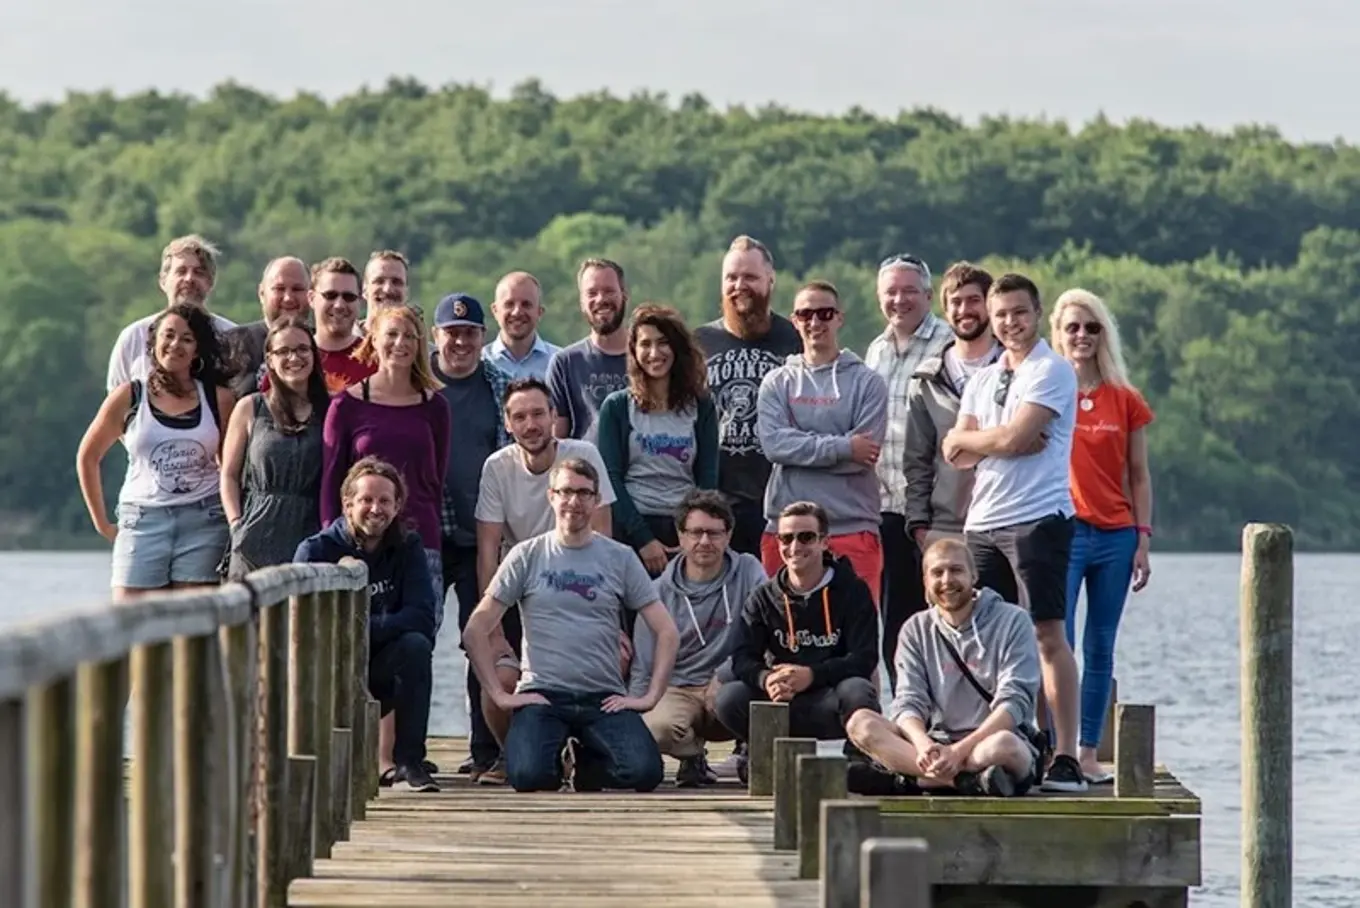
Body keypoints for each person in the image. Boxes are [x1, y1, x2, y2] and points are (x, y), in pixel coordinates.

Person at [940, 272, 1087, 792]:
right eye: (1001, 314)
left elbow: (1020, 435)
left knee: (1047, 634)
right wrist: (992, 439)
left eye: (1019, 312)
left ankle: (1065, 753)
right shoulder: (982, 376)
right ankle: (1010, 742)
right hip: (981, 522)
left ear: (1036, 312)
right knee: (988, 640)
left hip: (1037, 518)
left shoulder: (1053, 371)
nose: (1009, 323)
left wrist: (983, 438)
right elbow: (953, 452)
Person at [462, 458, 681, 793]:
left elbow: (666, 631)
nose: (574, 502)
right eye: (565, 492)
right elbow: (475, 629)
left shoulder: (619, 557)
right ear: (551, 496)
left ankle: (588, 758)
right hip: (544, 696)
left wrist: (649, 697)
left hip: (604, 697)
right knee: (527, 777)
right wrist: (498, 695)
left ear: (595, 500)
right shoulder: (527, 555)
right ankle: (556, 762)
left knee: (645, 773)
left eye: (583, 493)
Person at [471, 377, 617, 780]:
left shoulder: (583, 455)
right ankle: (509, 752)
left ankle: (589, 752)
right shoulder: (497, 467)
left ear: (555, 417)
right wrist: (494, 629)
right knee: (499, 676)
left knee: (610, 665)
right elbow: (488, 550)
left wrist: (611, 622)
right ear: (508, 423)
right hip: (521, 586)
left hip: (578, 585)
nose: (531, 424)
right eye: (520, 417)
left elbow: (605, 539)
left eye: (538, 413)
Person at [1050, 289, 1155, 784]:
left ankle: (1089, 752)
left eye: (1091, 328)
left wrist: (1143, 538)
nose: (1082, 336)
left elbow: (1139, 474)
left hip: (1115, 536)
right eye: (1073, 327)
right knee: (1057, 641)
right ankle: (1057, 749)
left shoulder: (1126, 399)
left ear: (1103, 335)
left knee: (1101, 646)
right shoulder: (1047, 389)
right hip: (1064, 532)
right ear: (1059, 332)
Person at [845, 538, 1042, 797]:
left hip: (992, 739)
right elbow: (908, 702)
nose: (947, 581)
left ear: (974, 575)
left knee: (1003, 747)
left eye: (956, 570)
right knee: (860, 723)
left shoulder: (1013, 620)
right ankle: (964, 782)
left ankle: (912, 781)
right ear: (925, 581)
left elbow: (1015, 702)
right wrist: (924, 745)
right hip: (938, 741)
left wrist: (958, 752)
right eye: (937, 573)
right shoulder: (915, 629)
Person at [295, 457, 439, 792]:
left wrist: (358, 626)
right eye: (366, 500)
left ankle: (409, 764)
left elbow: (422, 616)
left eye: (385, 501)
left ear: (398, 505)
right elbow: (306, 627)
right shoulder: (316, 550)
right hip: (330, 669)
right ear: (347, 504)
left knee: (416, 646)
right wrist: (384, 625)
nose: (376, 509)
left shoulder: (408, 546)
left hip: (379, 665)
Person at [78, 304, 237, 599]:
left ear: (197, 350)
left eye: (186, 339)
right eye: (169, 335)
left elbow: (231, 467)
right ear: (153, 343)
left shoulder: (219, 399)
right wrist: (102, 523)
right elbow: (88, 456)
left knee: (193, 630)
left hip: (204, 519)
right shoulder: (128, 396)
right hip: (142, 520)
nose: (175, 345)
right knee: (131, 625)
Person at [714, 501, 880, 783]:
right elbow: (742, 657)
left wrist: (812, 675)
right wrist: (767, 679)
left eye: (806, 537)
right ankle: (758, 750)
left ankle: (858, 756)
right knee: (729, 699)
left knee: (858, 690)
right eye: (786, 538)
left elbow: (864, 658)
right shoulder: (763, 597)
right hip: (782, 698)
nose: (794, 546)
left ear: (825, 542)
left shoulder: (852, 590)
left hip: (828, 696)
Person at [899, 262, 1002, 684]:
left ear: (990, 306)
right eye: (955, 303)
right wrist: (919, 524)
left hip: (1004, 520)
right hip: (945, 524)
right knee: (942, 639)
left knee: (1003, 631)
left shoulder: (1019, 370)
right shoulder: (926, 379)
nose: (965, 310)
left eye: (974, 300)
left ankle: (1023, 732)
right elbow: (916, 460)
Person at [756, 281, 889, 603]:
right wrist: (844, 446)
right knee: (784, 632)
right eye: (806, 314)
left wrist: (799, 448)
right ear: (795, 320)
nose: (815, 323)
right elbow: (774, 445)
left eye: (825, 313)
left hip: (852, 528)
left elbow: (865, 453)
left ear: (839, 318)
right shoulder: (777, 382)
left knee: (858, 636)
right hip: (785, 533)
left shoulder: (868, 383)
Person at [627, 490, 766, 786]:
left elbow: (765, 636)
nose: (705, 541)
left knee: (765, 686)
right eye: (696, 532)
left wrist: (725, 673)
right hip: (679, 688)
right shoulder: (658, 591)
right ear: (681, 536)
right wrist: (634, 719)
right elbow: (643, 663)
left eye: (714, 533)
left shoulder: (749, 571)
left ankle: (751, 751)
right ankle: (692, 756)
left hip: (731, 684)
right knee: (656, 731)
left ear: (728, 535)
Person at [429, 291, 513, 783]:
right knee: (415, 639)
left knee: (481, 637)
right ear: (436, 337)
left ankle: (484, 749)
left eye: (469, 333)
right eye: (451, 332)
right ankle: (404, 750)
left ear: (483, 337)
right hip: (427, 536)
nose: (460, 341)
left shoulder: (500, 386)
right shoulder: (419, 385)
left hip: (483, 537)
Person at [320, 305, 450, 619]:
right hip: (362, 545)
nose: (400, 343)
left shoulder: (436, 407)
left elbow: (436, 482)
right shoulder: (346, 405)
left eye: (409, 336)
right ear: (373, 339)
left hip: (420, 542)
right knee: (354, 643)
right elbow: (330, 482)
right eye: (391, 334)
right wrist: (332, 543)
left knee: (418, 641)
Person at [864, 253, 952, 688]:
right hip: (884, 506)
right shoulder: (875, 351)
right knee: (895, 619)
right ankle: (904, 715)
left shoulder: (948, 346)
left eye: (908, 291)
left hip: (937, 508)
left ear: (929, 296)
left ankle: (948, 719)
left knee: (943, 614)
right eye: (890, 292)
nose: (899, 300)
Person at [694, 235, 802, 557]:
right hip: (715, 502)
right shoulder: (698, 342)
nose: (739, 285)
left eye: (750, 277)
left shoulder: (795, 340)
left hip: (780, 502)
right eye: (731, 277)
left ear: (770, 280)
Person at [597, 305, 719, 576]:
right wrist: (644, 540)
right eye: (645, 344)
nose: (654, 353)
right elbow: (610, 478)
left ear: (677, 348)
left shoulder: (701, 405)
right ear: (634, 351)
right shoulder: (617, 407)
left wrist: (693, 535)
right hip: (632, 530)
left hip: (685, 532)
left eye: (663, 343)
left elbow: (708, 477)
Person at [219, 318, 328, 580]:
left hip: (310, 537)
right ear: (269, 359)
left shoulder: (331, 410)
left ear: (314, 355)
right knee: (247, 620)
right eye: (283, 351)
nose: (294, 357)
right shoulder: (250, 407)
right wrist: (236, 524)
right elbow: (229, 474)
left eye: (302, 349)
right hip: (254, 536)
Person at [107, 235, 237, 391]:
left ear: (210, 282)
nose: (189, 279)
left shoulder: (233, 338)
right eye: (181, 271)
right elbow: (116, 404)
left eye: (199, 272)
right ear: (163, 281)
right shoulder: (134, 337)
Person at [547, 258, 631, 442]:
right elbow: (556, 439)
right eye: (592, 293)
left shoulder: (649, 357)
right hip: (585, 468)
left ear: (624, 295)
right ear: (581, 302)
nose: (601, 299)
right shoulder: (565, 363)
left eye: (609, 291)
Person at [269, 256, 375, 394]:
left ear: (360, 301)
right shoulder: (289, 359)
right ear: (311, 298)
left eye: (349, 297)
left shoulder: (377, 359)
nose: (339, 305)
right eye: (330, 295)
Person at [223, 256, 311, 397]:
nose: (288, 298)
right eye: (279, 289)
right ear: (262, 293)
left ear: (311, 295)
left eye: (297, 289)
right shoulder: (230, 344)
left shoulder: (320, 345)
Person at [484, 270, 561, 380]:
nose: (517, 312)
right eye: (509, 304)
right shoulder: (480, 363)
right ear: (495, 311)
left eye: (526, 304)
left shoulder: (560, 363)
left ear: (540, 312)